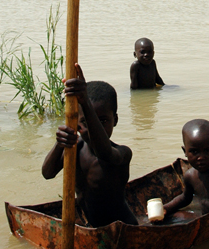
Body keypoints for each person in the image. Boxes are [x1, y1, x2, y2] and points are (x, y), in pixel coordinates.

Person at [42, 64, 138, 228]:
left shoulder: (122, 153)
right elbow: (47, 173)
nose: (95, 128)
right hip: (92, 226)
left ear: (115, 120)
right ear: (77, 124)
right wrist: (60, 143)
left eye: (103, 121)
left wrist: (85, 102)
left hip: (122, 228)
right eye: (85, 122)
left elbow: (103, 152)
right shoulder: (75, 148)